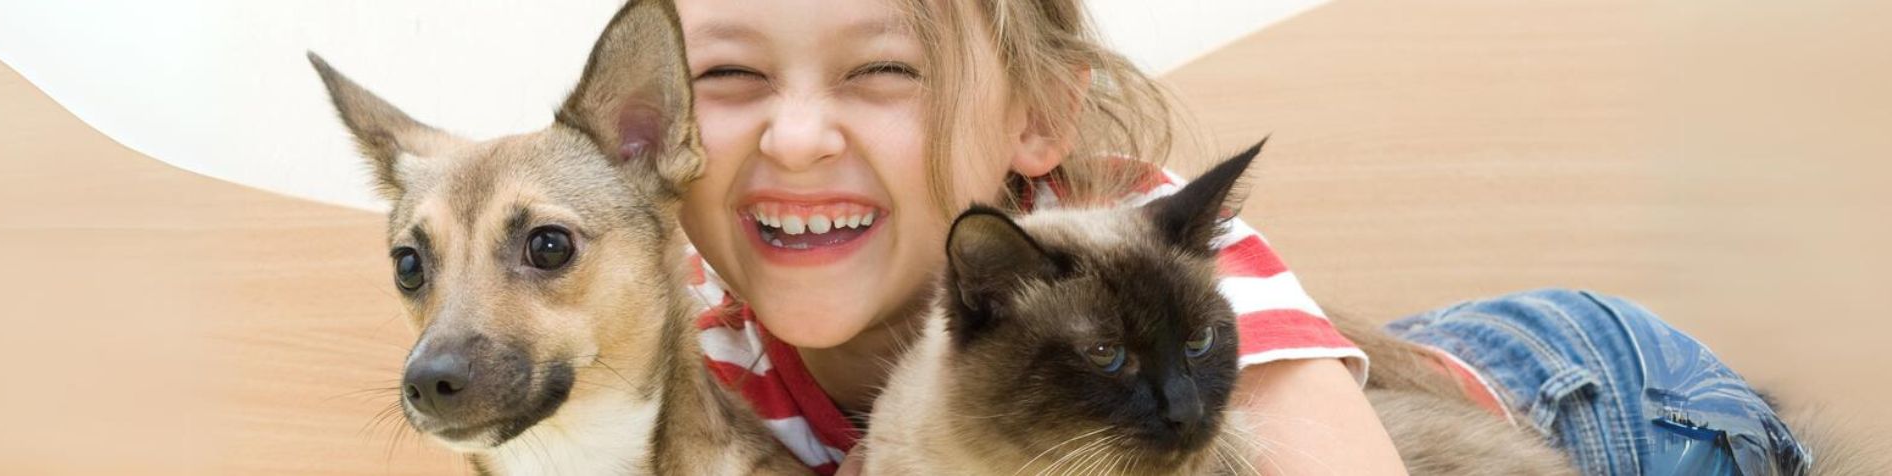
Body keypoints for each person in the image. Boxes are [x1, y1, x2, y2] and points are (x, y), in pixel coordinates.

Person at [668, 0, 1808, 474]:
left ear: (1039, 121)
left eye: (880, 71)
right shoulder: (694, 348)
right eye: (728, 75)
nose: (799, 134)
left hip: (1591, 394)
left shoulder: (1135, 251)